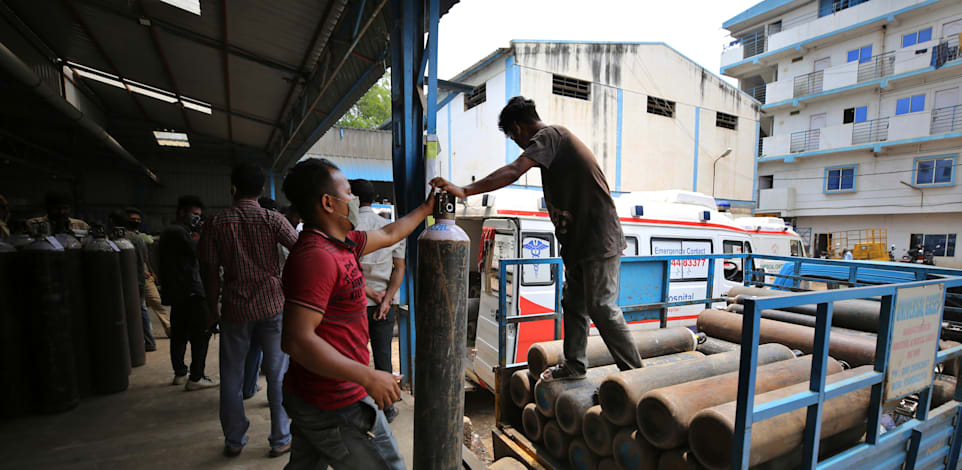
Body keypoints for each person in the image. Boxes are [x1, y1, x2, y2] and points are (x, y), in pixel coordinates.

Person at [430, 96, 643, 380]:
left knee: (601, 307)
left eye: (512, 137)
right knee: (574, 304)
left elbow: (514, 170)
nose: (519, 145)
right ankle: (575, 366)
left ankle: (637, 376)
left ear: (516, 129)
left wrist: (465, 190)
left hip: (597, 239)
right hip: (579, 244)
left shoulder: (551, 135)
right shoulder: (554, 145)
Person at [280, 157, 434, 470]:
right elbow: (297, 340)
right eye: (348, 193)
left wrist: (427, 207)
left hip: (317, 394)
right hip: (335, 401)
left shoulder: (345, 243)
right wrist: (368, 376)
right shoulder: (316, 257)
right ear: (328, 202)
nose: (353, 200)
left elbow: (391, 233)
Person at [199, 163, 297, 458]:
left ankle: (234, 439)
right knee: (278, 372)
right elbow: (301, 248)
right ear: (263, 190)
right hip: (273, 304)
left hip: (234, 305)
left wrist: (211, 306)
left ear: (233, 188)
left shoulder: (216, 223)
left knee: (231, 374)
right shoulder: (273, 219)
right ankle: (280, 437)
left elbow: (208, 267)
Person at [350, 179, 405, 423]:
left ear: (352, 197)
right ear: (372, 199)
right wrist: (386, 299)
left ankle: (358, 407)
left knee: (355, 355)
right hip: (384, 303)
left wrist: (369, 293)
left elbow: (345, 269)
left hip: (355, 303)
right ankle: (388, 408)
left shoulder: (348, 229)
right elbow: (399, 267)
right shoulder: (389, 228)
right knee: (383, 356)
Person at [159, 196, 216, 390]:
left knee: (179, 334)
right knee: (202, 334)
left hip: (178, 294)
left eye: (199, 216)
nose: (197, 219)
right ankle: (196, 377)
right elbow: (200, 252)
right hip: (191, 292)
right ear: (182, 212)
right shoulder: (178, 232)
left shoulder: (170, 232)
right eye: (195, 214)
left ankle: (180, 373)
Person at [109, 211, 156, 352]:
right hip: (139, 278)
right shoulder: (139, 238)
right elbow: (145, 258)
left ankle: (140, 342)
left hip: (129, 279)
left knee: (135, 310)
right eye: (133, 219)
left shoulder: (119, 239)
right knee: (141, 309)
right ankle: (147, 341)